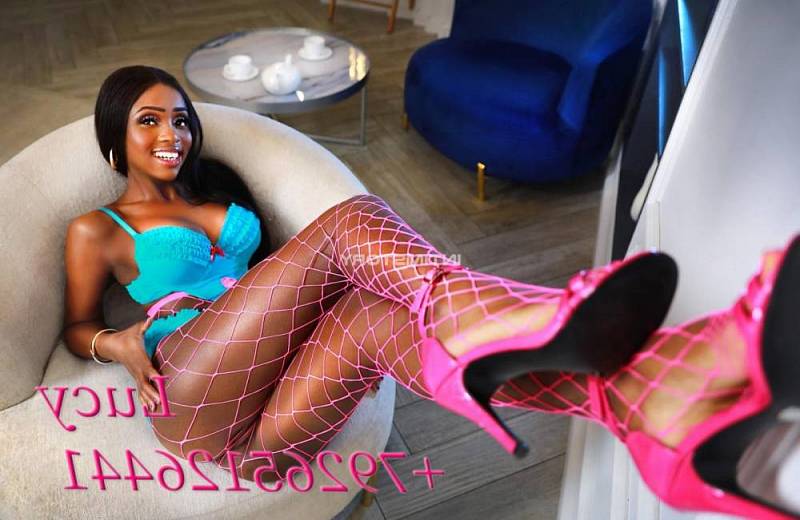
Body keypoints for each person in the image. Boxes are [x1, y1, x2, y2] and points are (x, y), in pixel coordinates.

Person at [62, 65, 798, 519]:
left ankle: (647, 400)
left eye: (181, 119)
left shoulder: (219, 192)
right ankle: (519, 316)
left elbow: (282, 283)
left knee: (379, 320)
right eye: (149, 121)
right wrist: (113, 342)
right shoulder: (97, 228)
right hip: (189, 390)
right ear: (112, 138)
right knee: (351, 221)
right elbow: (76, 326)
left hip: (266, 440)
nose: (172, 133)